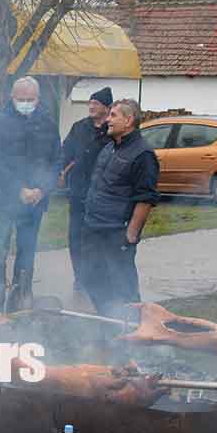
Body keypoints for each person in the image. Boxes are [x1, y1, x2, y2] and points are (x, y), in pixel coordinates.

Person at [0, 76, 59, 312]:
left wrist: (42, 189)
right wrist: (18, 188)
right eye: (21, 99)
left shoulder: (47, 122)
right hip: (4, 200)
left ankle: (21, 297)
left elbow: (56, 159)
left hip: (35, 201)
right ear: (12, 98)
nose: (26, 103)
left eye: (31, 99)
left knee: (27, 252)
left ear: (38, 99)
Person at [81, 98, 159, 318]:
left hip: (116, 232)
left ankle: (133, 335)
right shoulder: (109, 147)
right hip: (94, 227)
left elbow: (145, 198)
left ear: (129, 120)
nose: (108, 120)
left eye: (113, 115)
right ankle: (110, 326)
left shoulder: (143, 154)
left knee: (123, 287)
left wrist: (130, 236)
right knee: (92, 279)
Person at [59, 87, 113, 294]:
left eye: (96, 104)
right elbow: (66, 152)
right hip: (78, 192)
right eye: (90, 103)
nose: (91, 106)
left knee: (97, 238)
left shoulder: (112, 131)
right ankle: (79, 278)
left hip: (102, 195)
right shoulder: (79, 127)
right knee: (75, 236)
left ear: (107, 108)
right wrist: (61, 172)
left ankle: (97, 278)